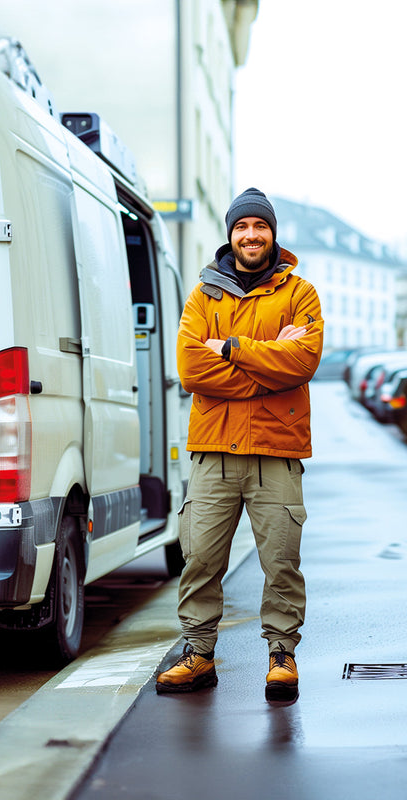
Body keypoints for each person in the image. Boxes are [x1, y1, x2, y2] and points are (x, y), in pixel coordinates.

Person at [155, 187, 323, 702]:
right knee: (200, 556)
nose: (251, 235)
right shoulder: (204, 295)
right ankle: (199, 653)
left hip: (277, 450)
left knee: (281, 559)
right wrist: (269, 366)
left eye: (261, 227)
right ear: (230, 234)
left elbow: (303, 362)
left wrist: (229, 348)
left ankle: (281, 655)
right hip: (214, 449)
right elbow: (190, 369)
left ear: (273, 234)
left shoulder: (299, 292)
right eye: (242, 227)